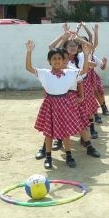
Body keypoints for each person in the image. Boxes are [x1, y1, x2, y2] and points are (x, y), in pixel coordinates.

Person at [25, 39, 92, 169]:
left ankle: (69, 156)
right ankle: (48, 157)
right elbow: (28, 67)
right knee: (49, 133)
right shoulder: (44, 73)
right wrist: (29, 52)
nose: (56, 61)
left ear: (63, 61)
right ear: (49, 61)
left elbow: (84, 71)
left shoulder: (69, 73)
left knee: (65, 133)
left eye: (59, 59)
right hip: (50, 104)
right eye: (54, 58)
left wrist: (85, 54)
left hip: (64, 104)